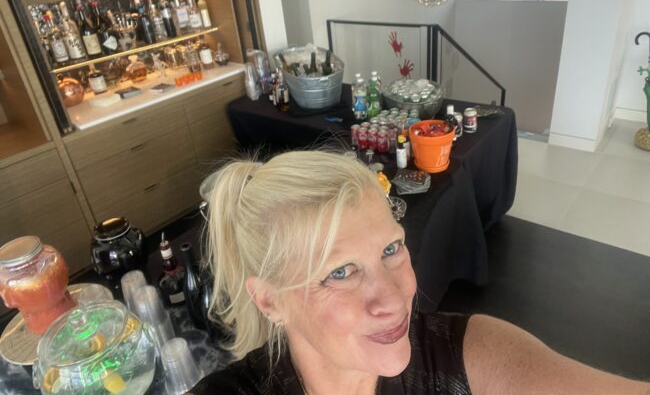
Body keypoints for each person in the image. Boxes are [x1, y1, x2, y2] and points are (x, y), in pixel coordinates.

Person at [191, 151, 649, 394]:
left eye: (391, 248)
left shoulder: (466, 355)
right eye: (341, 272)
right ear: (269, 299)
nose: (395, 298)